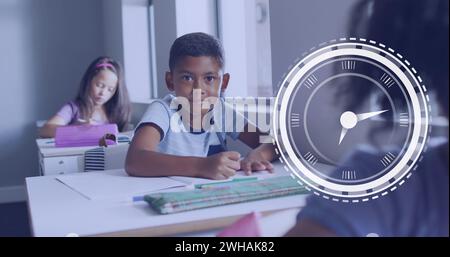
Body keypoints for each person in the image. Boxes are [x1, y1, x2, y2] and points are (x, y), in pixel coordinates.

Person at [286, 0, 449, 236]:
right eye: (209, 78)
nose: (211, 89)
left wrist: (262, 151)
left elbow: (269, 142)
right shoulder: (389, 189)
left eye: (212, 78)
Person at [125, 32, 276, 179]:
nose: (198, 90)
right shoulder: (163, 110)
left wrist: (258, 155)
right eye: (187, 78)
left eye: (209, 78)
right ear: (170, 81)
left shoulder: (221, 112)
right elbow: (135, 160)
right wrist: (201, 166)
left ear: (223, 83)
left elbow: (275, 143)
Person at [39, 56, 131, 138]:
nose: (103, 93)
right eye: (99, 85)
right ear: (89, 81)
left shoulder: (117, 111)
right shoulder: (74, 108)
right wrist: (76, 129)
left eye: (110, 89)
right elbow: (45, 130)